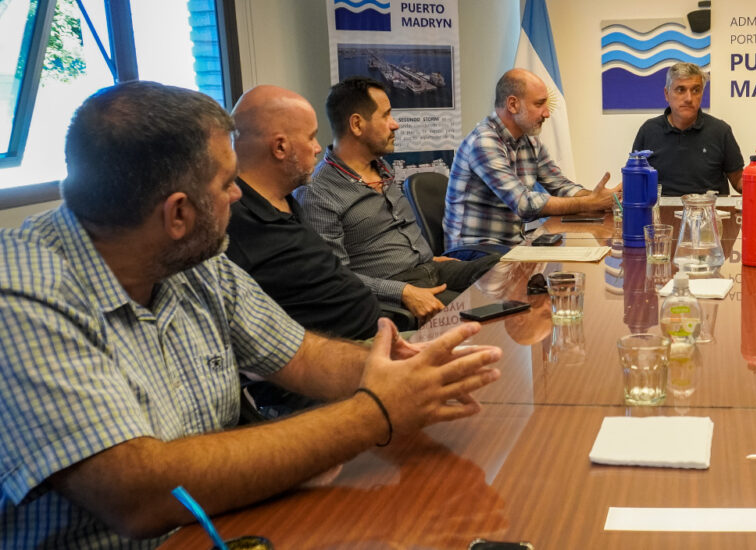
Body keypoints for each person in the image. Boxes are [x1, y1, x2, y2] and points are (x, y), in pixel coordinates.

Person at [0, 81, 502, 548]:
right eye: (226, 183)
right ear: (177, 214)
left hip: (229, 525)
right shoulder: (21, 298)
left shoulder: (191, 261)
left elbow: (301, 355)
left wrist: (404, 373)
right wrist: (374, 412)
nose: (240, 193)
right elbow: (140, 493)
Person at [297, 77, 499, 318]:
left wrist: (424, 255)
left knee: (508, 269)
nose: (395, 125)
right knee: (482, 310)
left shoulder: (382, 169)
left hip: (431, 268)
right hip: (395, 290)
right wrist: (402, 292)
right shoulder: (318, 192)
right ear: (357, 124)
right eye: (386, 116)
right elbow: (334, 277)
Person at [226, 85, 383, 340]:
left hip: (377, 334)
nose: (318, 148)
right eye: (311, 137)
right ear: (280, 147)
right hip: (342, 358)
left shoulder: (285, 199)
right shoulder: (236, 221)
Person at [443, 68, 616, 257]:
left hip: (512, 246)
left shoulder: (529, 141)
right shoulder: (484, 142)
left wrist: (601, 198)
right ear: (512, 104)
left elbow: (561, 186)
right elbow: (524, 205)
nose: (547, 113)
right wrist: (589, 203)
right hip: (474, 252)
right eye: (539, 104)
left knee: (568, 276)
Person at [630, 62, 744, 196]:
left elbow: (738, 182)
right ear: (667, 94)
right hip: (660, 213)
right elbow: (635, 180)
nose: (689, 98)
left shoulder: (720, 131)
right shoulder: (648, 131)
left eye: (696, 90)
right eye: (680, 90)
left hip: (710, 213)